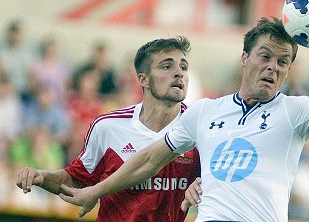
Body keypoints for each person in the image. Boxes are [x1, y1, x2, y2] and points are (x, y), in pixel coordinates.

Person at [58, 17, 309, 222]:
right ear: (245, 58)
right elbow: (147, 159)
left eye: (282, 61)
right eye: (265, 56)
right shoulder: (206, 112)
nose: (272, 67)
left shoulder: (295, 113)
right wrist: (96, 191)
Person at [16, 36, 201, 222]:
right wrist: (41, 177)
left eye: (183, 67)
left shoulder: (200, 130)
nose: (179, 73)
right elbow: (77, 180)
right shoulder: (108, 126)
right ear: (143, 80)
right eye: (167, 66)